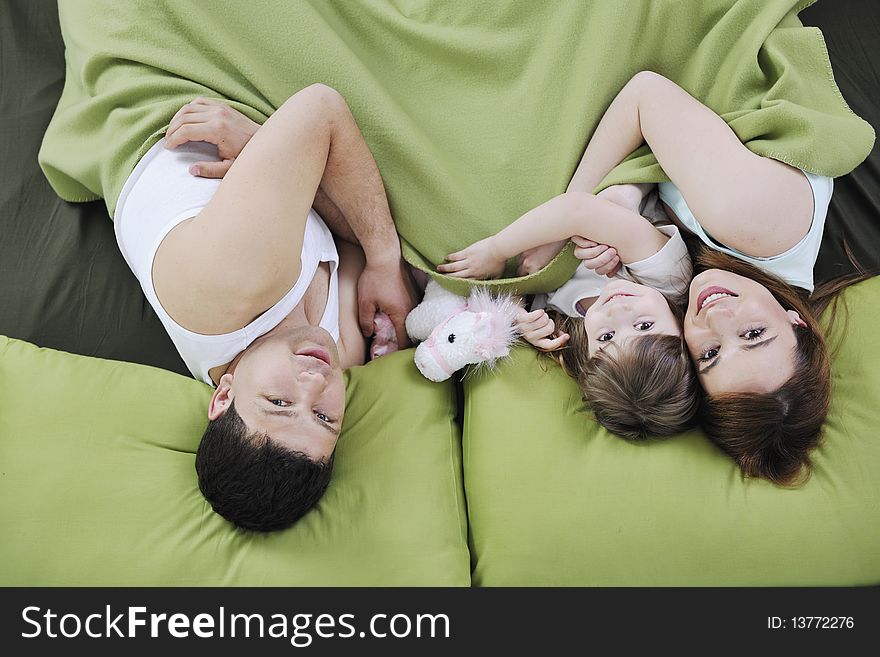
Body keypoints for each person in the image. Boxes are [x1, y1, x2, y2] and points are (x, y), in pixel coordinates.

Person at [466, 70, 863, 486]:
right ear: (796, 321)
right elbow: (646, 94)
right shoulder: (754, 224)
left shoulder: (703, 280)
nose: (715, 318)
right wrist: (564, 232)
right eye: (752, 333)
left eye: (709, 355)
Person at [113, 85, 417, 531]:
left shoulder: (227, 285)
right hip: (268, 122)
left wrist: (385, 255)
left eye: (278, 402)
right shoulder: (341, 350)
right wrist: (271, 148)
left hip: (166, 104)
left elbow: (322, 108)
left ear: (223, 396)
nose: (314, 384)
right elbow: (352, 231)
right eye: (323, 417)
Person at [437, 172, 699, 439]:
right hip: (599, 172)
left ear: (586, 353)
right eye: (645, 325)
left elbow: (509, 285)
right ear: (681, 330)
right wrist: (496, 250)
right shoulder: (669, 279)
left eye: (607, 337)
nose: (618, 312)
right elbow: (579, 211)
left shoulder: (569, 323)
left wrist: (516, 316)